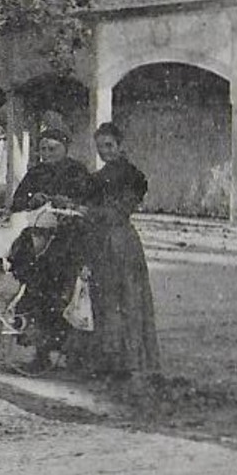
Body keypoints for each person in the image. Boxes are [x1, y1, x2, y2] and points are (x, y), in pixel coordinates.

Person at [70, 123, 160, 380]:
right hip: (99, 242)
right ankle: (107, 362)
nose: (105, 152)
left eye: (109, 146)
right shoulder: (96, 178)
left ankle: (127, 363)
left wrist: (91, 212)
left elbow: (121, 211)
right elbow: (88, 204)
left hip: (121, 243)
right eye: (100, 148)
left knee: (126, 300)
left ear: (120, 146)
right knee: (103, 301)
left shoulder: (134, 176)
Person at [6, 128, 93, 373]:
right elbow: (17, 202)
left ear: (66, 148)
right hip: (39, 244)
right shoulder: (35, 172)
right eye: (43, 149)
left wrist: (68, 203)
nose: (46, 154)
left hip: (69, 242)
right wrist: (33, 200)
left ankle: (71, 355)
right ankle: (40, 354)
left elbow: (89, 205)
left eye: (52, 149)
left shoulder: (78, 172)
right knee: (36, 296)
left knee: (66, 297)